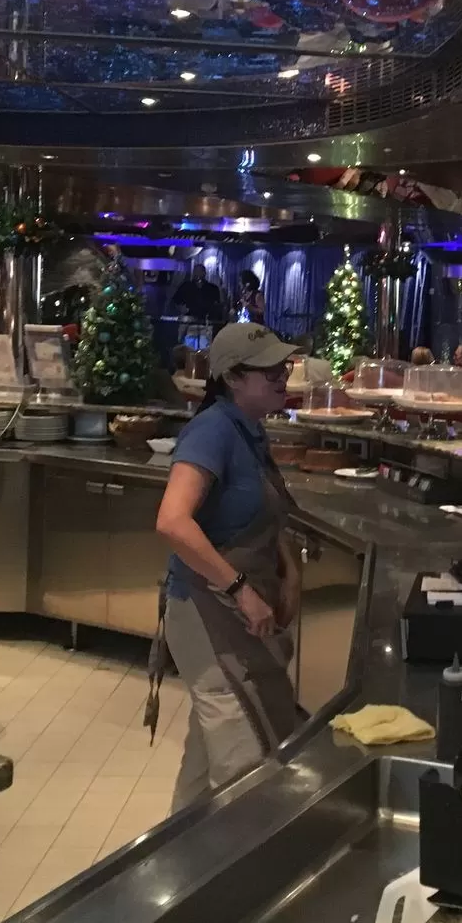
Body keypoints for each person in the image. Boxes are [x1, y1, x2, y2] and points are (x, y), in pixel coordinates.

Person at [150, 323, 305, 809]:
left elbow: (265, 515)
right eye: (269, 371)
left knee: (208, 756)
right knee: (245, 767)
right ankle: (240, 856)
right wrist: (242, 590)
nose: (283, 377)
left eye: (284, 367)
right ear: (233, 378)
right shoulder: (212, 430)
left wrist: (288, 575)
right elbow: (172, 522)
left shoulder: (249, 430)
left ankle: (177, 849)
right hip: (207, 613)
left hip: (235, 613)